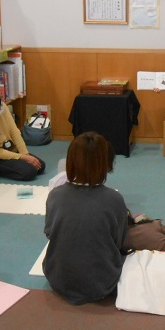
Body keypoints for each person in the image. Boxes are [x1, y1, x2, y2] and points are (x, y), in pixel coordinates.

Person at [42, 131, 129, 305]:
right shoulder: (114, 199)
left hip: (57, 277)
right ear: (106, 163)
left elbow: (49, 232)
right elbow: (118, 242)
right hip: (101, 283)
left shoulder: (55, 195)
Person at [0, 91, 46, 181]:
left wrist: (25, 154)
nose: (1, 109)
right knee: (30, 172)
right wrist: (24, 158)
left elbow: (15, 132)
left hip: (11, 150)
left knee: (40, 166)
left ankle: (16, 165)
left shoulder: (2, 107)